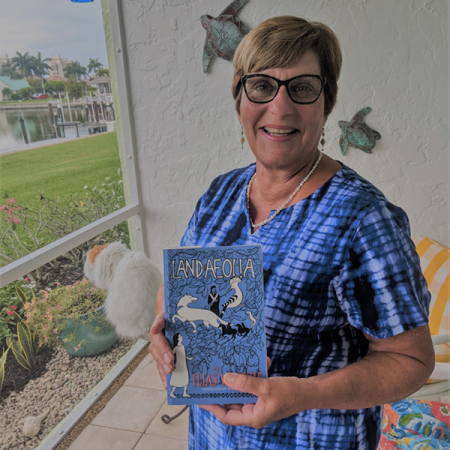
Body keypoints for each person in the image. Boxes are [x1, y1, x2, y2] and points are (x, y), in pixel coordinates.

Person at [149, 15, 434, 450]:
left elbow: (411, 359)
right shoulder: (220, 192)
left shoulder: (363, 218)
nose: (279, 108)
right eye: (262, 85)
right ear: (240, 98)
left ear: (326, 103)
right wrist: (163, 328)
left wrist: (301, 395)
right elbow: (182, 284)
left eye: (301, 88)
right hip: (211, 436)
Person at [169, 333, 193, 399]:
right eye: (180, 336)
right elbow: (171, 355)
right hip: (178, 365)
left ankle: (184, 393)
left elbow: (183, 355)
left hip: (184, 364)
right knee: (177, 379)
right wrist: (172, 363)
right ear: (177, 339)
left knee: (185, 378)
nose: (182, 337)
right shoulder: (176, 348)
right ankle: (171, 393)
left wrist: (189, 358)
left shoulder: (182, 346)